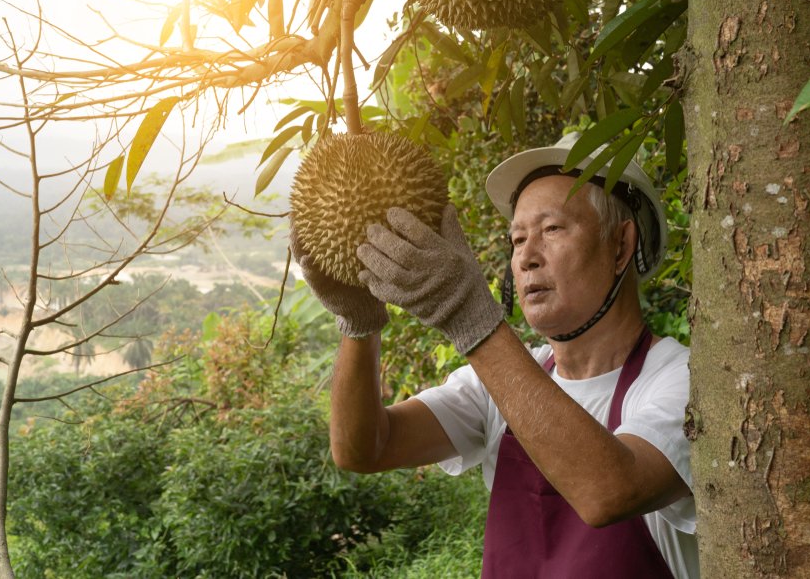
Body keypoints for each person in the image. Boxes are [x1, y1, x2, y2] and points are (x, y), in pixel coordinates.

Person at [291, 132, 698, 578]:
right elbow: (363, 449)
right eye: (517, 239)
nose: (526, 258)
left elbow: (609, 491)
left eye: (552, 229)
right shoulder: (496, 385)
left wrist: (472, 320)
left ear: (621, 246)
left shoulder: (683, 382)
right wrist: (360, 325)